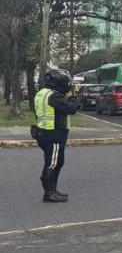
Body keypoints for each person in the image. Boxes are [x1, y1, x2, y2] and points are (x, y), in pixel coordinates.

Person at [33, 67, 78, 203]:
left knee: (57, 161)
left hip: (44, 132)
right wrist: (71, 96)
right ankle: (49, 192)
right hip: (54, 134)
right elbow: (71, 108)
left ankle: (51, 187)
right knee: (53, 163)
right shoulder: (54, 96)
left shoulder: (41, 93)